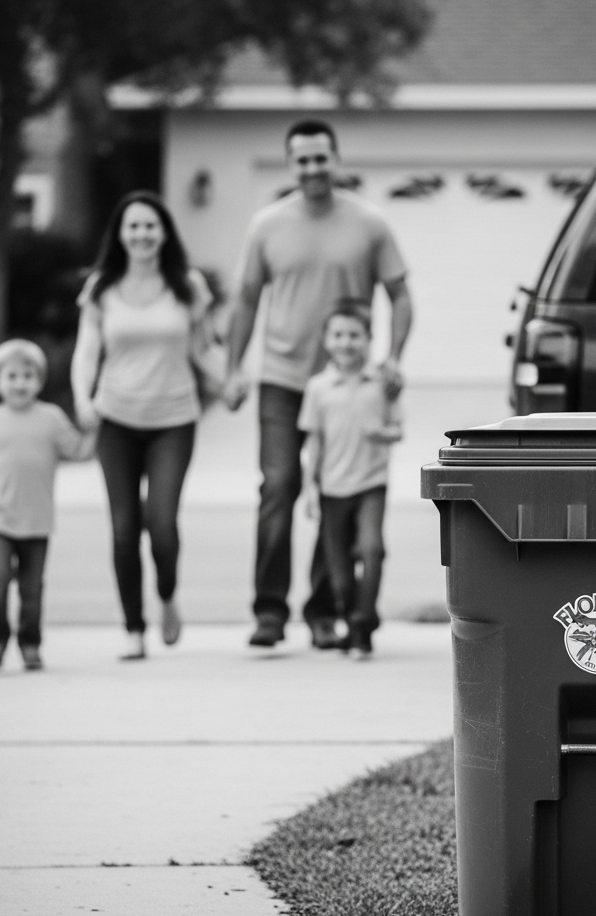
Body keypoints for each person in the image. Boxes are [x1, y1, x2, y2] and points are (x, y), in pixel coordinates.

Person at [225, 118, 413, 649]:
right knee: (280, 487)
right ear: (290, 165)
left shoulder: (369, 223)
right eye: (301, 160)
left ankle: (323, 610)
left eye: (320, 158)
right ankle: (269, 610)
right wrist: (233, 368)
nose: (312, 168)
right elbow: (244, 299)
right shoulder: (266, 225)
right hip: (283, 381)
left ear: (336, 159)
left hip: (347, 386)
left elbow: (400, 294)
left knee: (339, 492)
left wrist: (393, 356)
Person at [71, 190, 222, 660]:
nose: (141, 234)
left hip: (174, 419)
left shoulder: (187, 285)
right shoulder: (101, 287)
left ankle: (168, 594)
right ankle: (133, 629)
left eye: (150, 225)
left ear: (164, 232)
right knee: (122, 528)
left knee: (160, 523)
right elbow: (87, 349)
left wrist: (228, 380)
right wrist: (82, 397)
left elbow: (203, 348)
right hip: (116, 420)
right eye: (133, 226)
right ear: (120, 234)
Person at [0, 339, 97, 669]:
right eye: (12, 375)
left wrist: (94, 428)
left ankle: (30, 642)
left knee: (32, 590)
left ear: (40, 381)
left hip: (37, 520)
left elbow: (80, 452)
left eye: (28, 375)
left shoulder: (51, 418)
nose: (20, 383)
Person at [299, 300, 402, 658]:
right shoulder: (318, 388)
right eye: (338, 335)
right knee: (340, 575)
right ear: (327, 340)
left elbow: (398, 429)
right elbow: (314, 442)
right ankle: (358, 616)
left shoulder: (382, 384)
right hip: (332, 489)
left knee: (372, 549)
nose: (346, 342)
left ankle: (361, 630)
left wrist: (382, 433)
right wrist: (310, 490)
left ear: (369, 339)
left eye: (355, 335)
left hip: (372, 484)